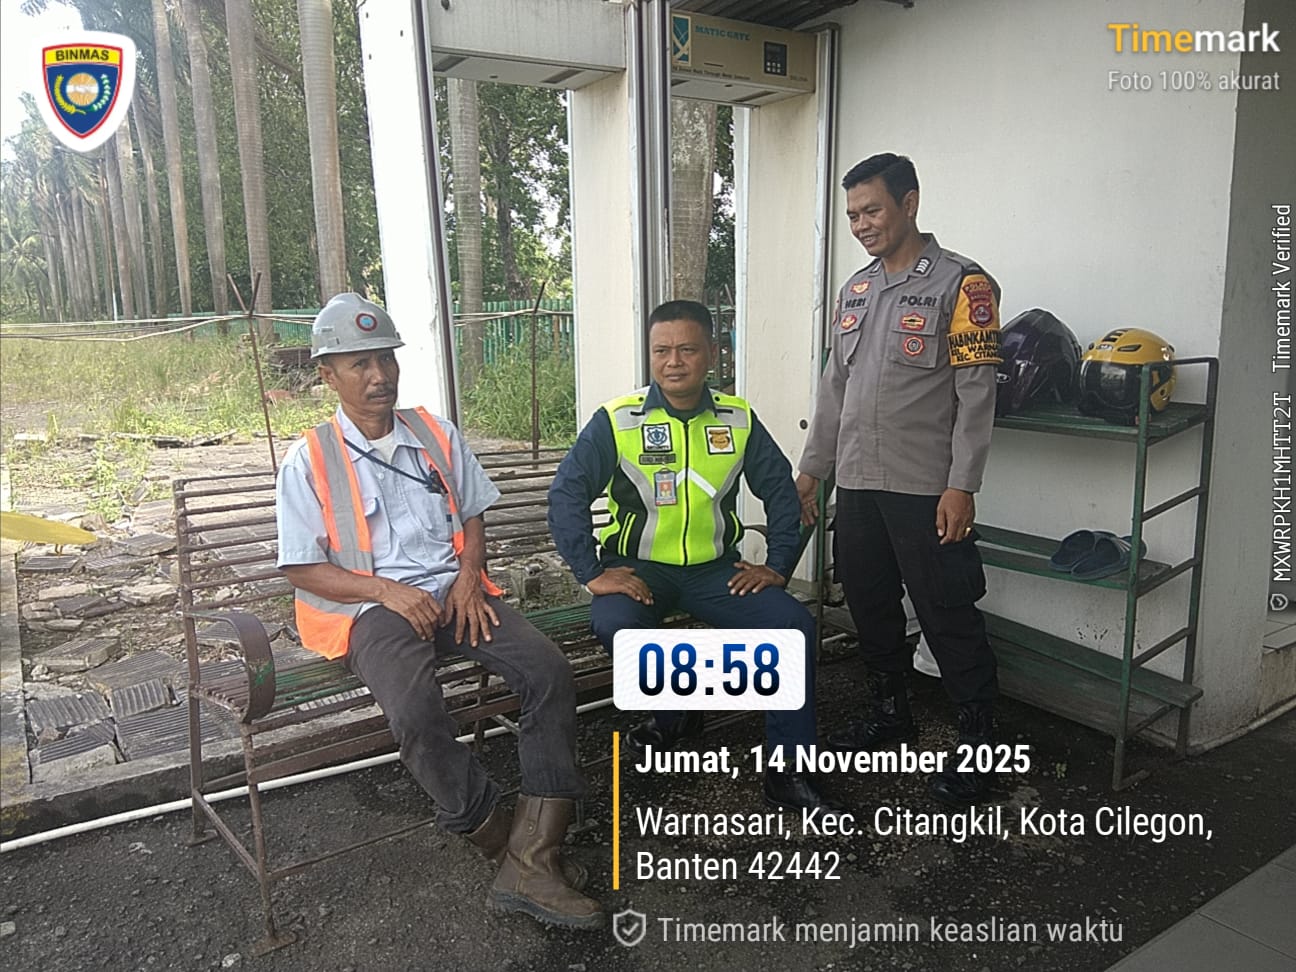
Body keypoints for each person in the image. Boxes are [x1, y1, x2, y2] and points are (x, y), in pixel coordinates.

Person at [275, 293, 601, 930]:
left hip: (456, 593)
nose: (380, 375)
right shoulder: (309, 459)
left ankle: (534, 856)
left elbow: (472, 516)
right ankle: (502, 843)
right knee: (417, 712)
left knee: (548, 671)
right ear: (328, 375)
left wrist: (469, 577)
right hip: (370, 610)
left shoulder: (435, 433)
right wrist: (385, 592)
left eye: (386, 359)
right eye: (360, 364)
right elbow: (300, 566)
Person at [548, 299, 836, 812]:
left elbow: (781, 491)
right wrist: (592, 572)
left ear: (712, 354)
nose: (673, 362)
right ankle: (677, 712)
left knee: (792, 626)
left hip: (715, 571)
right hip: (639, 570)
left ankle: (788, 770)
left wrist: (777, 565)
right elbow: (567, 492)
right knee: (618, 627)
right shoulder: (618, 420)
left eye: (687, 349)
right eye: (661, 350)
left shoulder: (737, 418)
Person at [796, 153, 1003, 806]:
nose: (861, 224)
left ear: (909, 204)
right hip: (858, 484)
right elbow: (835, 389)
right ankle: (891, 716)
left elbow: (977, 394)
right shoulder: (855, 290)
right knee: (871, 605)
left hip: (925, 488)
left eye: (873, 210)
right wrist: (813, 469)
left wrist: (962, 485)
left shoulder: (963, 285)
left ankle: (982, 750)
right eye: (853, 214)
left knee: (947, 613)